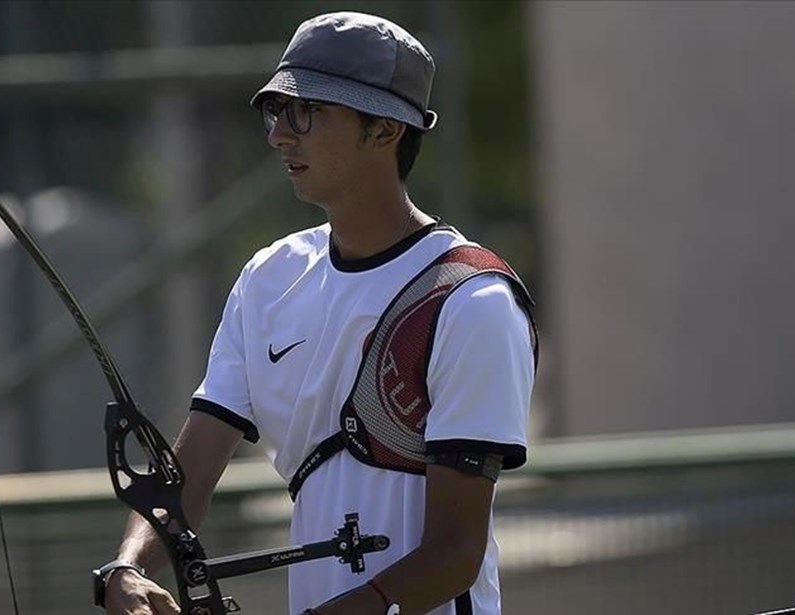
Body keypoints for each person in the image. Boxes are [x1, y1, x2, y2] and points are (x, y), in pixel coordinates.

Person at [99, 11, 537, 615]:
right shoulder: (267, 278)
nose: (280, 134)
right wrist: (130, 564)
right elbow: (189, 474)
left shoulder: (472, 301)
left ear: (384, 129)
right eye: (276, 111)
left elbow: (456, 552)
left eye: (307, 112)